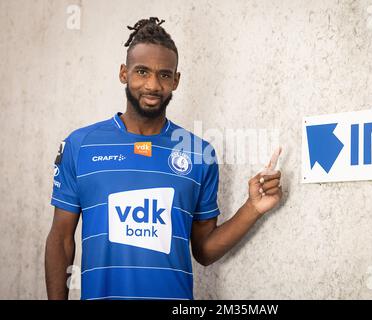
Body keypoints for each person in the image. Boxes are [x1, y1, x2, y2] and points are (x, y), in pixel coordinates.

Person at [45, 17, 282, 300]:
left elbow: (204, 250)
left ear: (176, 80)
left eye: (164, 75)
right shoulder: (80, 145)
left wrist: (252, 208)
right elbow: (60, 240)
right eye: (142, 72)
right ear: (124, 73)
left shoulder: (199, 154)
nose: (153, 85)